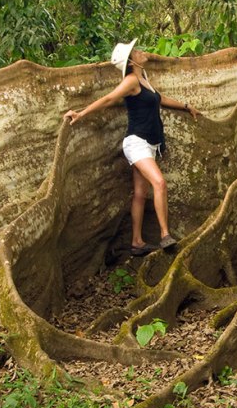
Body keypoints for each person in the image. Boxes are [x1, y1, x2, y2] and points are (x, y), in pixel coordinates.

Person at [63, 39, 200, 256]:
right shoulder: (130, 81)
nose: (140, 51)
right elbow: (109, 98)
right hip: (136, 142)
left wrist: (186, 106)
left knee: (140, 193)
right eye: (136, 51)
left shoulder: (143, 78)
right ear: (130, 62)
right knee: (160, 182)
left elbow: (160, 98)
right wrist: (81, 113)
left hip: (150, 143)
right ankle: (165, 235)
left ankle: (137, 242)